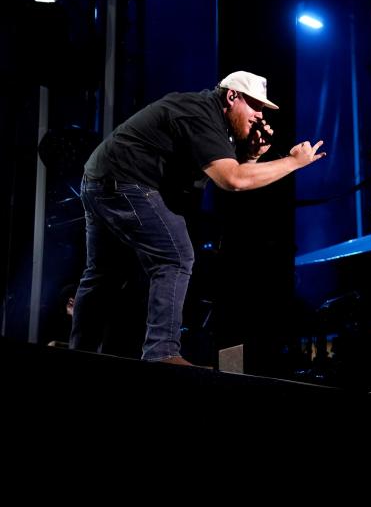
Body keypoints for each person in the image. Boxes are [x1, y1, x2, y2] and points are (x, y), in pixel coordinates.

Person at [70, 71, 325, 365]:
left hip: (100, 180)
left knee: (103, 273)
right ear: (232, 96)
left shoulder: (209, 119)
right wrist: (294, 162)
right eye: (255, 106)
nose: (259, 116)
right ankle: (161, 353)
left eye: (262, 110)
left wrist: (252, 155)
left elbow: (232, 176)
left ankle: (80, 354)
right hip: (127, 180)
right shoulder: (202, 115)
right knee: (175, 257)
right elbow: (233, 180)